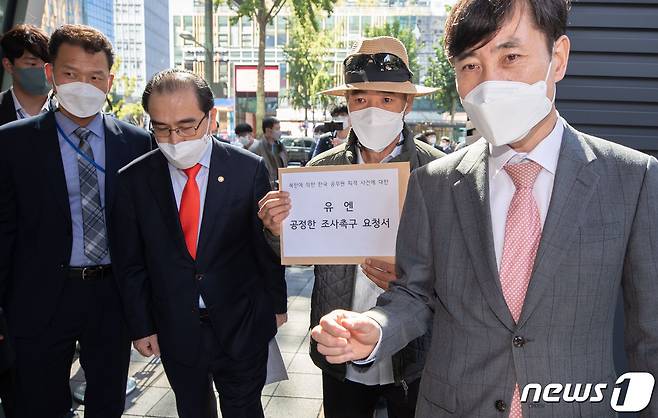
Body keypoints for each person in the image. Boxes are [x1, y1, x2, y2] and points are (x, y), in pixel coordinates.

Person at [311, 1, 658, 417]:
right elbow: (415, 293)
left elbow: (649, 335)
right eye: (470, 65)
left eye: (510, 56)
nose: (490, 82)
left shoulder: (631, 178)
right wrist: (378, 328)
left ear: (558, 58)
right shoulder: (434, 184)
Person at [258, 36, 444, 418]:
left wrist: (415, 279)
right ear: (347, 104)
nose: (372, 110)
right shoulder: (322, 170)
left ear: (406, 104)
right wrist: (277, 231)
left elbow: (458, 262)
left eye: (387, 99)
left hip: (412, 347)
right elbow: (298, 255)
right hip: (338, 337)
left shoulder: (438, 171)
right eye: (360, 99)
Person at [112, 69, 287, 418]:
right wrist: (142, 325)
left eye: (186, 125)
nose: (174, 138)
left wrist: (277, 304)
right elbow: (129, 261)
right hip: (176, 326)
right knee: (192, 409)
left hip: (241, 321)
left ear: (212, 118)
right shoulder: (134, 179)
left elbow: (262, 245)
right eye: (161, 127)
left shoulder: (246, 169)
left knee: (244, 408)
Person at [0, 24, 151, 418]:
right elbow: (3, 233)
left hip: (111, 298)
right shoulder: (12, 142)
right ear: (51, 73)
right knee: (39, 404)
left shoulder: (136, 143)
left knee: (108, 403)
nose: (83, 84)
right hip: (39, 297)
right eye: (71, 73)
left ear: (109, 81)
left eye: (95, 76)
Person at [0, 24, 51, 126]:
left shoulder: (69, 113)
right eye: (32, 64)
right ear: (9, 65)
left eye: (47, 63)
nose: (43, 70)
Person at [249, 116, 288, 189]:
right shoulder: (255, 149)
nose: (280, 132)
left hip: (280, 188)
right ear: (268, 130)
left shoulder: (281, 147)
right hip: (265, 190)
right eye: (277, 129)